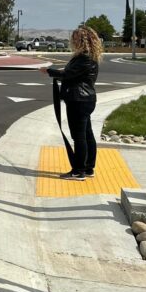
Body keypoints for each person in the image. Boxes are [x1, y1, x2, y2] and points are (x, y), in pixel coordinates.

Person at [41, 27, 103, 181]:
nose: (73, 42)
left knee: (79, 137)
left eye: (75, 39)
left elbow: (67, 74)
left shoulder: (84, 58)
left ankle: (78, 171)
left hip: (78, 100)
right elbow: (73, 75)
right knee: (87, 134)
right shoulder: (88, 57)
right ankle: (88, 168)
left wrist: (49, 71)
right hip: (84, 99)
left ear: (82, 41)